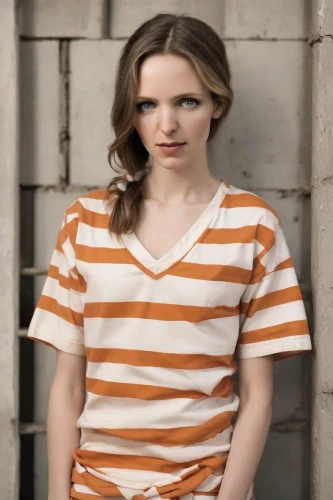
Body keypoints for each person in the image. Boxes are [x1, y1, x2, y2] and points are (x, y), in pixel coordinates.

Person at [27, 13, 312, 500]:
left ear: (217, 104)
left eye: (187, 101)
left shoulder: (253, 225)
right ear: (129, 111)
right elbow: (67, 387)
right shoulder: (86, 220)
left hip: (204, 488)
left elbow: (259, 394)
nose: (167, 125)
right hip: (94, 489)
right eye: (146, 104)